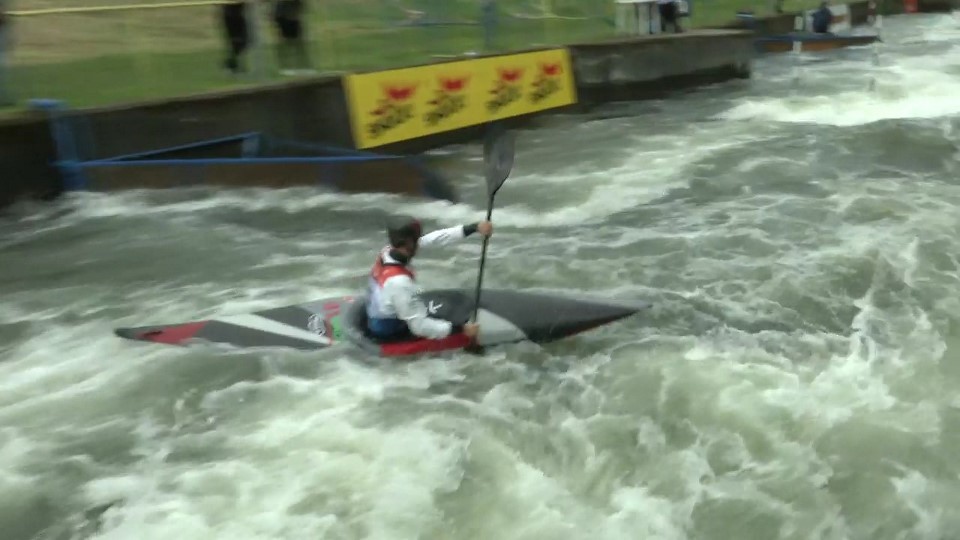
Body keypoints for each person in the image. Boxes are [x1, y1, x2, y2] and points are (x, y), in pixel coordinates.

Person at [365, 216, 493, 342]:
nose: (419, 242)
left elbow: (434, 239)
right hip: (388, 329)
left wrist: (474, 228)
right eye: (416, 239)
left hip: (382, 309)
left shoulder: (387, 251)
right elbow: (419, 327)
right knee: (451, 320)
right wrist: (461, 329)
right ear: (409, 242)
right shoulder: (399, 281)